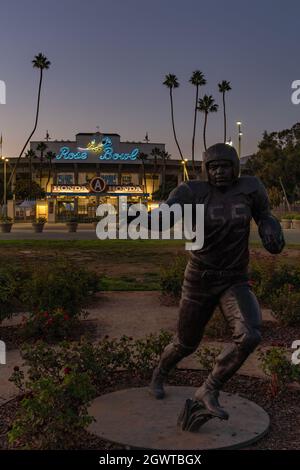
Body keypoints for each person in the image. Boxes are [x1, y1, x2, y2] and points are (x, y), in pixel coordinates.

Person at [148, 143, 285, 420]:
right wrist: (156, 217)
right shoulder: (192, 191)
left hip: (235, 279)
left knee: (249, 335)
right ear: (205, 169)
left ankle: (210, 388)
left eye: (225, 166)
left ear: (235, 167)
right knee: (186, 343)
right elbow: (169, 211)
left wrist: (271, 227)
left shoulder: (250, 187)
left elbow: (264, 215)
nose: (220, 172)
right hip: (199, 279)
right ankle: (159, 373)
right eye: (213, 167)